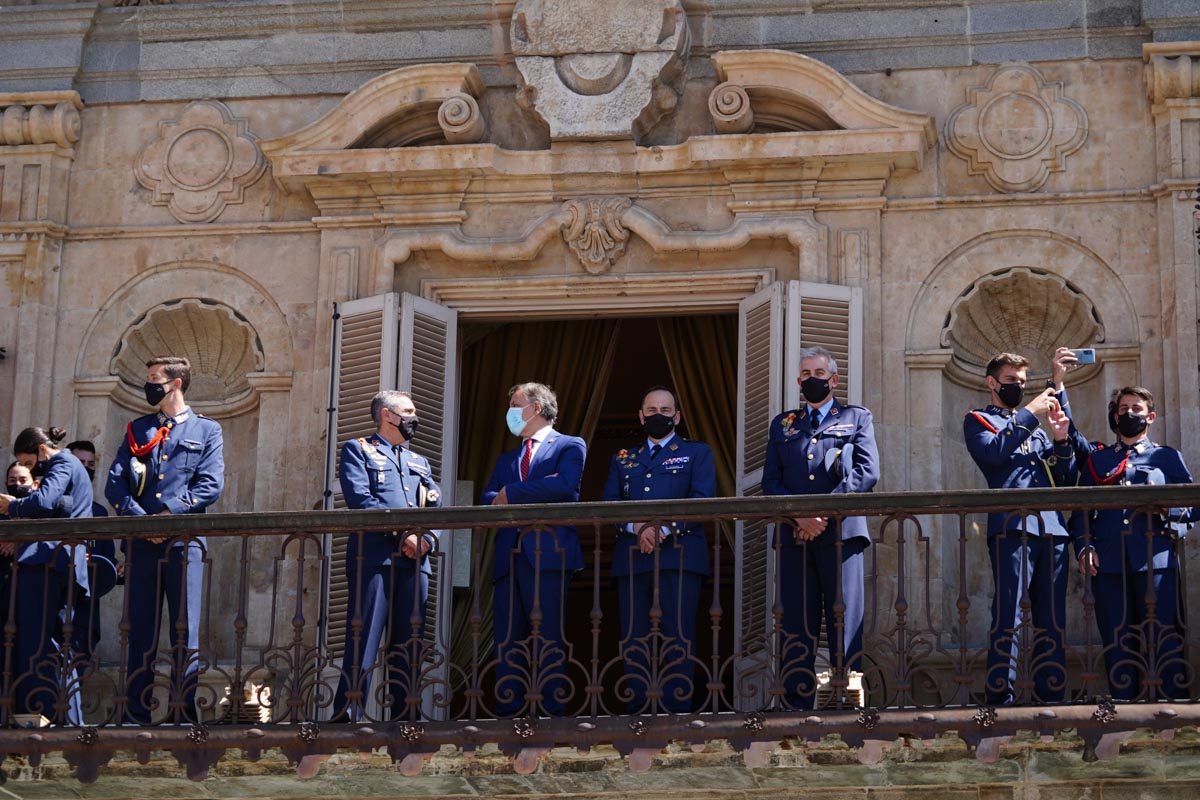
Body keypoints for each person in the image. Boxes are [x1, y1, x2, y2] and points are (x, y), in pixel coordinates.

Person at [963, 348, 1085, 705]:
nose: (1017, 387)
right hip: (1013, 527)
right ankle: (1001, 695)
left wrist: (1061, 440)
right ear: (992, 383)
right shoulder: (979, 420)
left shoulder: (1038, 432)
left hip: (1052, 531)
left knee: (1052, 619)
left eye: (1021, 382)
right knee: (1009, 614)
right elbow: (994, 454)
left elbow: (1065, 479)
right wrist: (1032, 412)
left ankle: (1052, 695)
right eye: (1011, 381)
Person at [106, 356, 224, 724]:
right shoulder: (137, 429)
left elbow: (210, 484)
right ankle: (134, 710)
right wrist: (142, 522)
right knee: (139, 627)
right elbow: (115, 484)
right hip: (141, 542)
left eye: (155, 379)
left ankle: (182, 709)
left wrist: (168, 516)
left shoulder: (207, 430)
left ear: (176, 383)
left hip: (184, 541)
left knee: (183, 629)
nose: (148, 385)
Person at [762, 346, 879, 710]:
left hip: (841, 535)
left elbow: (866, 472)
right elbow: (771, 482)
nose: (812, 379)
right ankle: (797, 701)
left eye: (819, 373)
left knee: (844, 616)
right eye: (806, 374)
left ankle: (846, 697)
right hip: (795, 537)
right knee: (796, 620)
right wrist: (800, 516)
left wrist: (821, 516)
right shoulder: (783, 424)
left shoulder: (856, 418)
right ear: (799, 381)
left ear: (834, 379)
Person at [1071, 386, 1194, 700]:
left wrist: (1170, 508)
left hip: (1156, 561)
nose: (1129, 413)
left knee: (1164, 635)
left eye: (1136, 408)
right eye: (1123, 408)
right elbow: (1081, 512)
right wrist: (1085, 547)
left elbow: (1193, 505)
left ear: (1150, 417)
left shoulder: (1166, 456)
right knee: (1117, 637)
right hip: (1109, 563)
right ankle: (1124, 708)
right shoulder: (1098, 461)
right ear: (1115, 415)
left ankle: (1171, 708)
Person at [601, 386, 715, 714]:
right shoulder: (623, 458)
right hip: (633, 558)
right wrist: (637, 528)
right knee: (634, 637)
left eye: (665, 410)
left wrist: (663, 528)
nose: (658, 416)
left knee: (678, 635)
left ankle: (677, 709)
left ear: (677, 416)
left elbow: (702, 499)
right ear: (640, 416)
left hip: (679, 555)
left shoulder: (697, 453)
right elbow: (609, 504)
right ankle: (638, 707)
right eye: (651, 410)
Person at [332, 390, 441, 722]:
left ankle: (405, 712)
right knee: (363, 634)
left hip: (415, 562)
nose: (414, 417)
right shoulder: (359, 450)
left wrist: (427, 540)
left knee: (410, 640)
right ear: (387, 415)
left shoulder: (418, 461)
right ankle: (349, 711)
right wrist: (403, 533)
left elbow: (435, 507)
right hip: (374, 559)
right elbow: (360, 500)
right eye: (408, 411)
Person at [481, 382, 586, 717]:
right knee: (507, 640)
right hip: (508, 556)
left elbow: (565, 486)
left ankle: (552, 713)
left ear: (535, 408)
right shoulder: (507, 458)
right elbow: (487, 497)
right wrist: (518, 491)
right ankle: (508, 712)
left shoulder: (569, 446)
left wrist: (512, 492)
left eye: (514, 404)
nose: (510, 412)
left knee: (549, 637)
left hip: (549, 554)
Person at [0, 427, 92, 721]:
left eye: (27, 464)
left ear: (41, 450)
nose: (28, 470)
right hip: (59, 562)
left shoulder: (63, 462)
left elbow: (45, 501)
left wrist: (12, 506)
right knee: (50, 645)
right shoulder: (66, 466)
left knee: (45, 647)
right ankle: (58, 718)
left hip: (52, 562)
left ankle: (58, 718)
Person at [66, 440, 118, 658]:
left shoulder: (98, 512)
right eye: (80, 463)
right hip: (55, 600)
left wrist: (117, 568)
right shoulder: (51, 507)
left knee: (79, 665)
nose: (86, 469)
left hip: (85, 607)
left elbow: (106, 557)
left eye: (90, 464)